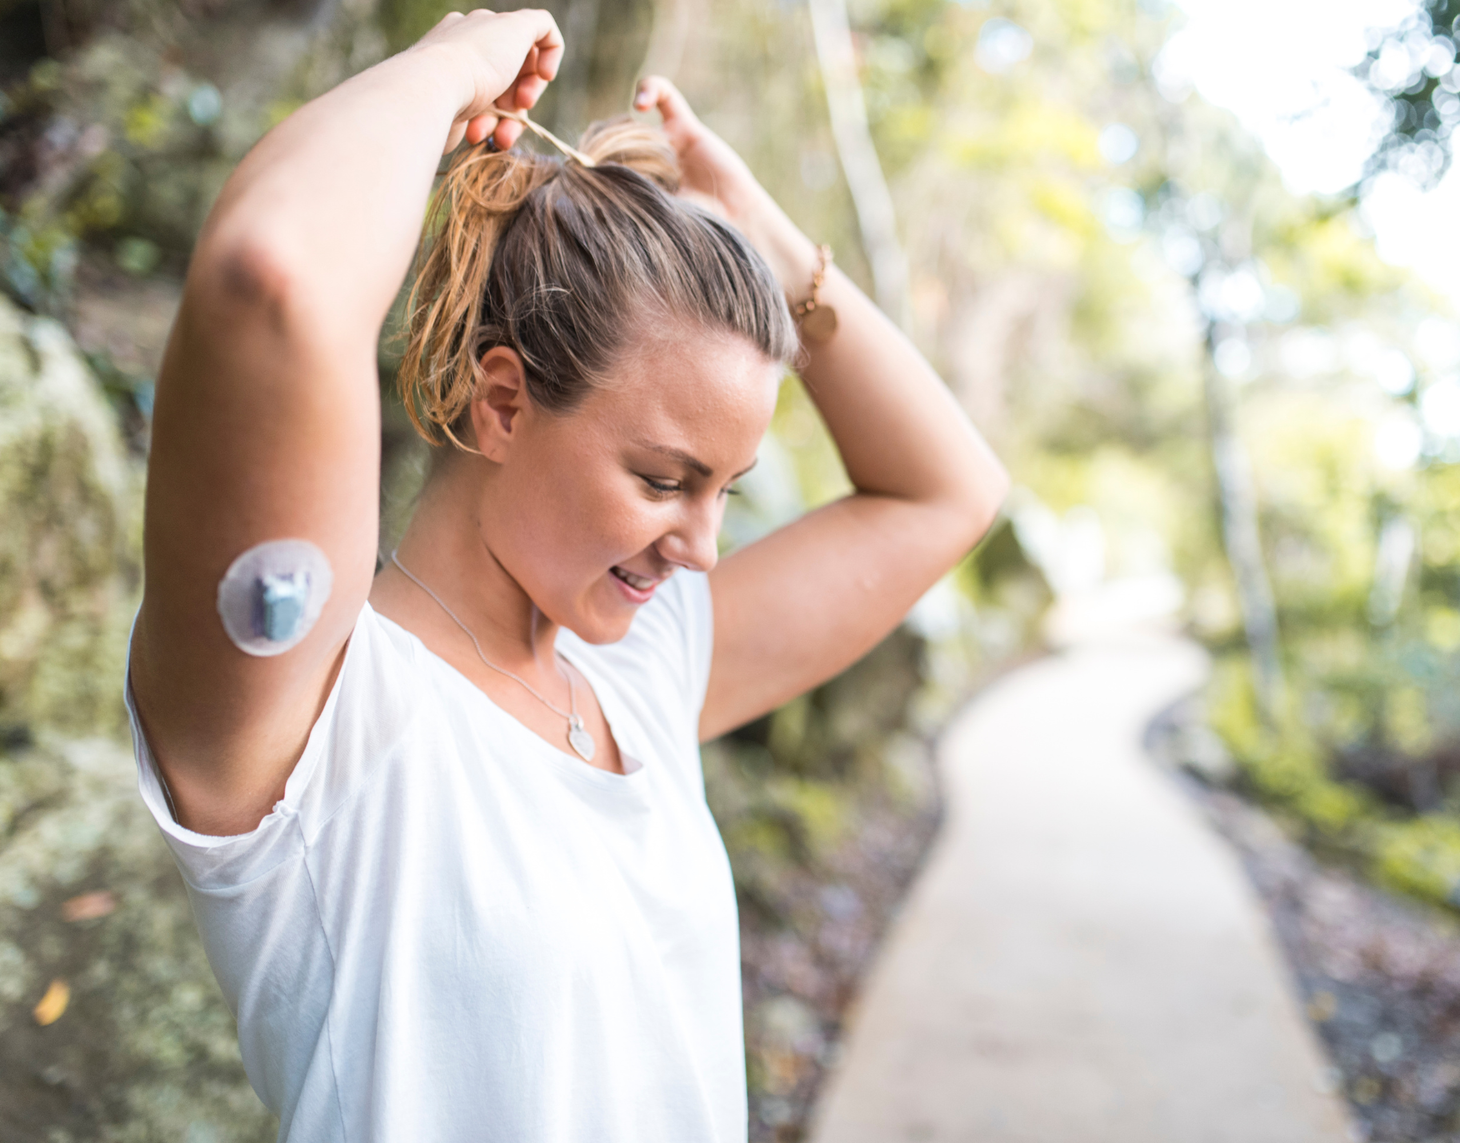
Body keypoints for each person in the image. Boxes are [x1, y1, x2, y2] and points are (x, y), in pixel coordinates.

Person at [126, 8, 1008, 1141]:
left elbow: (948, 494)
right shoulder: (313, 715)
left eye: (725, 488)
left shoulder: (640, 672)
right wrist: (451, 66)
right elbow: (273, 278)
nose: (702, 547)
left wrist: (776, 255)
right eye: (662, 478)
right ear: (502, 403)